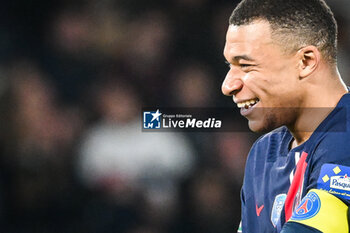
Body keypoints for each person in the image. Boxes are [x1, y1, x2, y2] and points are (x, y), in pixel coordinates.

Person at [221, 0, 350, 232]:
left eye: (247, 66)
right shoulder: (263, 153)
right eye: (230, 65)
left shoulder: (345, 139)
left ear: (306, 61)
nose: (228, 85)